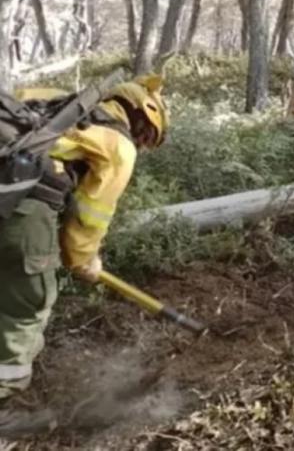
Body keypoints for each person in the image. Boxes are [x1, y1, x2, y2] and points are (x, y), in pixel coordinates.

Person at [0, 74, 169, 435]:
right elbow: (91, 218)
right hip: (22, 214)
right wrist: (84, 261)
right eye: (146, 137)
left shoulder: (50, 102)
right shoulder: (117, 144)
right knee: (28, 302)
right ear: (140, 118)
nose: (141, 145)